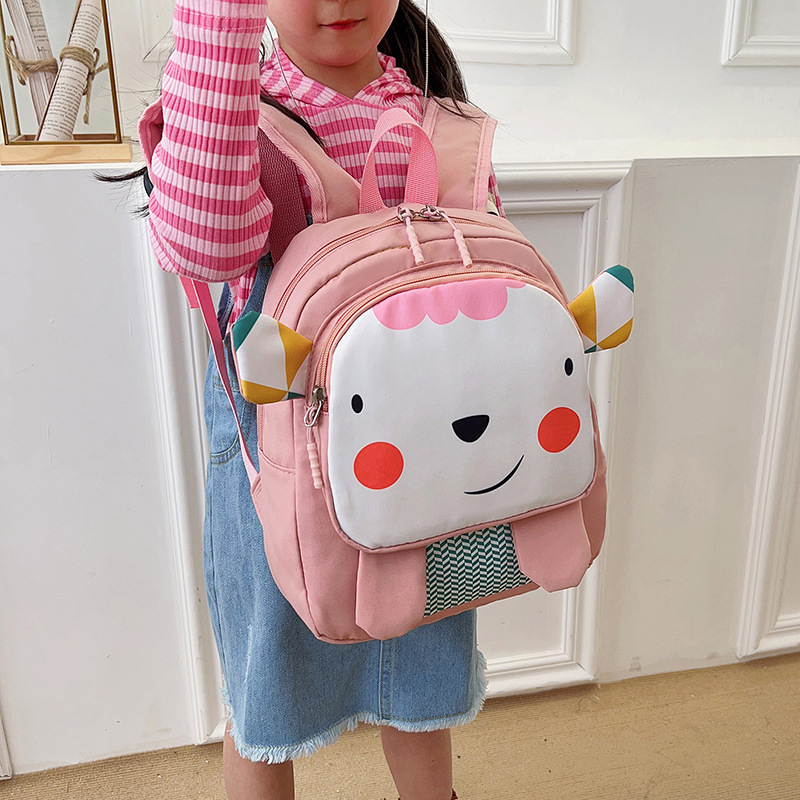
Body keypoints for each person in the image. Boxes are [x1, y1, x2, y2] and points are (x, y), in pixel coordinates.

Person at [136, 2, 505, 798]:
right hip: (280, 449)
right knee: (265, 679)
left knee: (420, 665)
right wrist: (219, 31)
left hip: (422, 442)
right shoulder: (239, 119)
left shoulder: (441, 119)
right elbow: (204, 243)